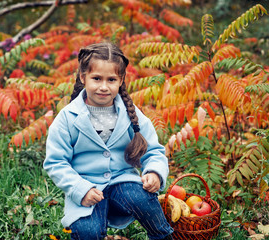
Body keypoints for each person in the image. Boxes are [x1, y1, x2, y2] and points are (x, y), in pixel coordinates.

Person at [43, 42, 173, 240]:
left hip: (123, 181)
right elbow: (56, 163)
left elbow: (153, 150)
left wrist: (154, 171)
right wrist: (80, 189)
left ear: (121, 80)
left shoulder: (131, 114)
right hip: (86, 186)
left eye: (111, 79)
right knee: (89, 232)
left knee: (145, 200)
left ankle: (163, 236)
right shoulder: (67, 118)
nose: (103, 87)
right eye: (96, 78)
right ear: (83, 77)